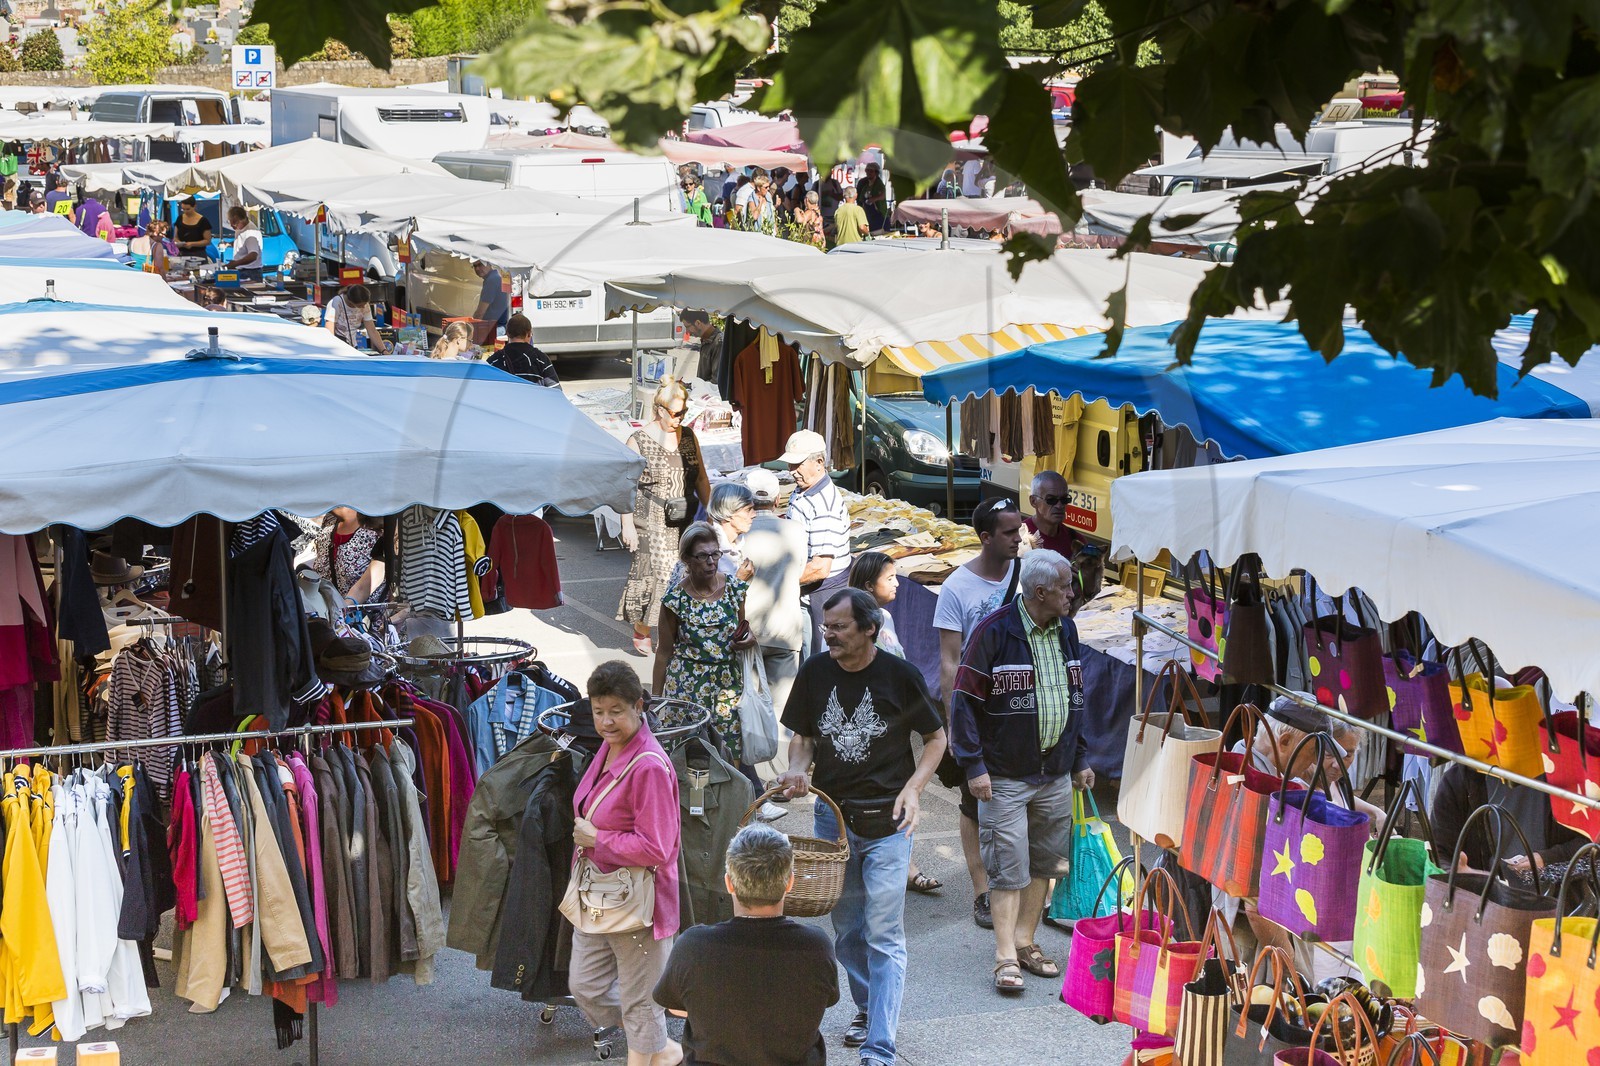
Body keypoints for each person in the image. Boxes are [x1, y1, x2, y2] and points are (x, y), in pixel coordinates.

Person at [779, 588, 947, 1066]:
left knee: (883, 931)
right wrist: (796, 767)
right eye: (825, 626)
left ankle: (880, 1046)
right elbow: (804, 737)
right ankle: (868, 1008)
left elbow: (936, 739)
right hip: (832, 820)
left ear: (869, 628)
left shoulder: (898, 675)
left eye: (838, 627)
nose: (827, 634)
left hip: (888, 822)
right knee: (848, 927)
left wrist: (914, 787)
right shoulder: (815, 671)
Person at [950, 549, 1093, 993]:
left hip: (1054, 772)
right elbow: (963, 703)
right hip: (1004, 776)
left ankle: (1027, 942)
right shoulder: (994, 632)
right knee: (1008, 867)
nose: (1073, 593)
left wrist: (1080, 758)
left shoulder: (1066, 630)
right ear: (1040, 591)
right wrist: (973, 766)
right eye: (1067, 586)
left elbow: (1075, 698)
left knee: (1044, 863)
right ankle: (1004, 956)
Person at [568, 661, 684, 1066]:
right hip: (599, 893)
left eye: (616, 710)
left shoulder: (649, 765)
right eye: (598, 711)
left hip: (639, 902)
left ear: (639, 706)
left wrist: (599, 839)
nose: (605, 721)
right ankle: (663, 1047)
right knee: (585, 986)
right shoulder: (608, 746)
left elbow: (658, 846)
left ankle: (653, 1044)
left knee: (639, 1002)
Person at [653, 824, 839, 1066]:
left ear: (729, 883)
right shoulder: (817, 947)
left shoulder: (693, 946)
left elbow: (675, 1007)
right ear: (790, 883)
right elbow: (826, 1000)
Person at [933, 496, 1024, 930]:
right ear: (985, 537)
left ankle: (1019, 884)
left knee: (1026, 796)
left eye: (1019, 529)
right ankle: (981, 889)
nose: (1018, 538)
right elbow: (949, 661)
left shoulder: (1027, 576)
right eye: (1009, 532)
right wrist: (954, 723)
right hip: (979, 710)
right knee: (973, 803)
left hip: (1023, 710)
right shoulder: (956, 588)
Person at [850, 551, 942, 896]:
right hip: (874, 725)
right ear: (867, 586)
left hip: (892, 726)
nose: (897, 583)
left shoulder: (885, 616)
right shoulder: (862, 624)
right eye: (889, 578)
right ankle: (896, 868)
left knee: (900, 798)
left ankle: (904, 865)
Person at [618, 378, 711, 656]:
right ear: (659, 409)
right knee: (662, 575)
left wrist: (715, 514)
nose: (680, 418)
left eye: (684, 412)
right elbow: (626, 486)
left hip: (686, 517)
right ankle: (644, 629)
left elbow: (702, 479)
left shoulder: (689, 436)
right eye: (675, 413)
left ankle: (674, 634)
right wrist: (627, 526)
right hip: (653, 520)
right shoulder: (638, 440)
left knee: (687, 574)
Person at [654, 522, 758, 765]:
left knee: (729, 755)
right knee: (688, 757)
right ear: (687, 560)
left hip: (728, 686)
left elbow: (743, 629)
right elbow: (663, 653)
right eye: (703, 556)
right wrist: (656, 702)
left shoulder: (734, 589)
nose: (712, 561)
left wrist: (750, 639)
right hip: (686, 687)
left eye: (715, 553)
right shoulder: (674, 600)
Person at [741, 468, 809, 733]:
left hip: (747, 631)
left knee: (747, 707)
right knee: (782, 715)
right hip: (785, 629)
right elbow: (801, 569)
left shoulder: (739, 533)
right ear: (777, 499)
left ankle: (750, 770)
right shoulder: (796, 531)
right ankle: (780, 771)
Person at [780, 429, 853, 658]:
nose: (792, 472)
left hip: (823, 594)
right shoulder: (804, 490)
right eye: (790, 465)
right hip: (806, 591)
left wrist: (778, 582)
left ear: (819, 462)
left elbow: (821, 567)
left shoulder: (824, 505)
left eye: (797, 465)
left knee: (816, 660)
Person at [311, 507, 384, 602]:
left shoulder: (377, 527)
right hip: (331, 612)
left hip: (363, 614)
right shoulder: (329, 522)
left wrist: (343, 610)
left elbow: (364, 587)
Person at [1022, 470, 1085, 557]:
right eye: (1051, 500)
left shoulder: (1076, 541)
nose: (1059, 506)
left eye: (1064, 499)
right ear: (1033, 501)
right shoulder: (1018, 539)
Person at [488, 313, 559, 385]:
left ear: (507, 333)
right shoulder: (541, 360)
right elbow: (555, 391)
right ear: (529, 334)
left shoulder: (494, 361)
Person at [324, 283, 391, 354]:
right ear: (351, 301)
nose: (363, 307)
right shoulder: (337, 302)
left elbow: (372, 330)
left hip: (352, 346)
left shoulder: (365, 305)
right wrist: (333, 350)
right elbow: (329, 330)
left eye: (365, 304)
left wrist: (383, 350)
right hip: (338, 346)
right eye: (360, 305)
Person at [679, 310, 724, 391]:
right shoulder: (705, 339)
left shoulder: (719, 343)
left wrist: (691, 388)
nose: (687, 332)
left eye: (687, 327)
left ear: (698, 323)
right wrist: (686, 386)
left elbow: (715, 384)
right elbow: (703, 380)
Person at [471, 259, 511, 343]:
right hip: (502, 326)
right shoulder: (499, 276)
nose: (477, 269)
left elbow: (480, 312)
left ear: (489, 264)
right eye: (475, 266)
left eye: (480, 265)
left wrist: (471, 329)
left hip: (493, 329)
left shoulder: (491, 280)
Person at [226, 205, 263, 271]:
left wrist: (235, 263)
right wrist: (229, 244)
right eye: (230, 223)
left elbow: (253, 255)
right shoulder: (240, 227)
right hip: (243, 269)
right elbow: (243, 244)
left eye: (235, 223)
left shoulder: (251, 233)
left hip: (250, 271)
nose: (233, 227)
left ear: (243, 220)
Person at [856, 163, 887, 233]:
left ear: (876, 172)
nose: (868, 173)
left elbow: (882, 196)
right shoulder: (865, 186)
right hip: (868, 217)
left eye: (871, 171)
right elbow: (861, 201)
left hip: (879, 216)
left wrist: (873, 199)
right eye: (867, 170)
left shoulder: (879, 184)